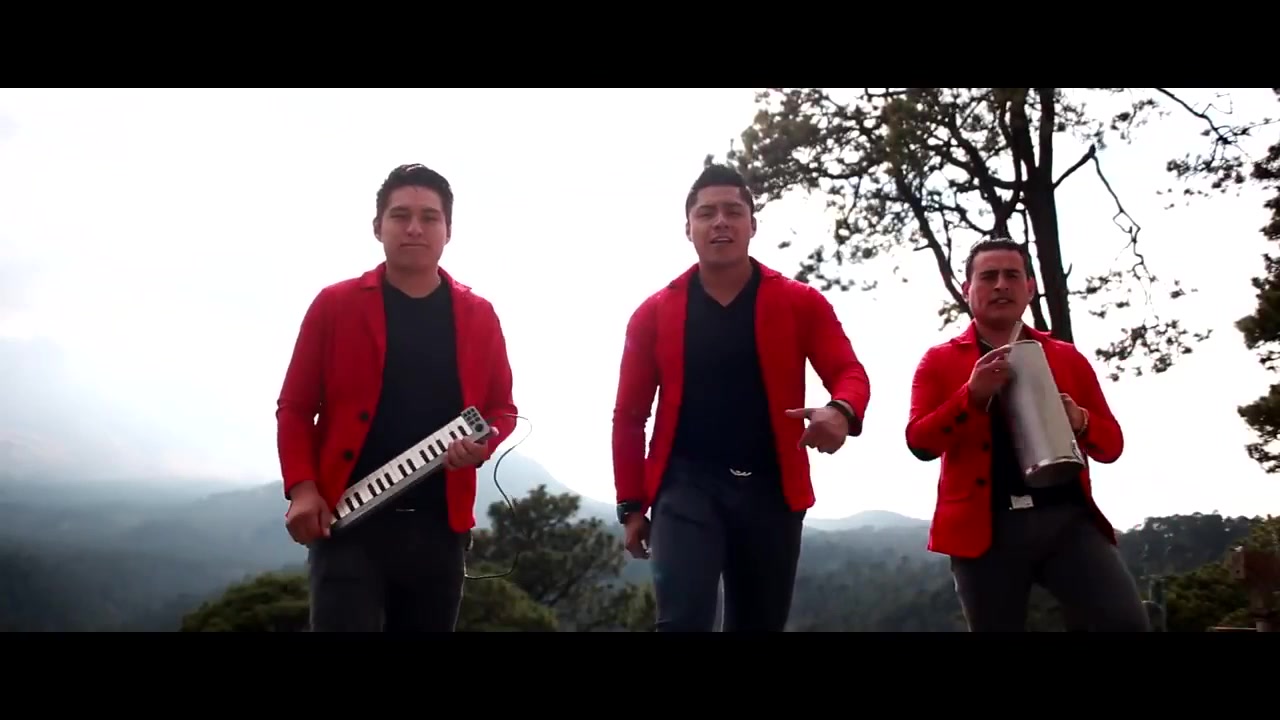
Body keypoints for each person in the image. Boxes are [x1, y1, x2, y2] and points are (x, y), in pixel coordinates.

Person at [611, 164, 872, 632]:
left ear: (753, 225)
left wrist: (840, 410)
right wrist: (631, 506)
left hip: (773, 490)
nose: (721, 222)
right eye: (707, 213)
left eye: (733, 212)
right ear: (688, 228)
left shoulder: (799, 302)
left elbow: (848, 371)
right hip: (685, 487)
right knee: (682, 622)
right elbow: (629, 417)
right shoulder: (654, 313)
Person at [275, 163, 518, 632]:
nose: (414, 228)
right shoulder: (334, 305)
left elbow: (502, 409)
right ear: (377, 227)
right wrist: (303, 489)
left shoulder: (479, 315)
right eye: (400, 215)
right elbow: (296, 408)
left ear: (448, 231)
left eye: (429, 217)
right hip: (347, 523)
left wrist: (483, 444)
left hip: (441, 528)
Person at [906, 237, 1149, 632]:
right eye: (988, 276)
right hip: (982, 531)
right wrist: (971, 396)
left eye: (1012, 275)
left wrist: (1081, 420)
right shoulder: (939, 361)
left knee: (1124, 623)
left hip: (1068, 522)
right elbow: (920, 442)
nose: (1001, 285)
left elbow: (1112, 445)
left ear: (1029, 288)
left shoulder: (1067, 357)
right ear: (967, 289)